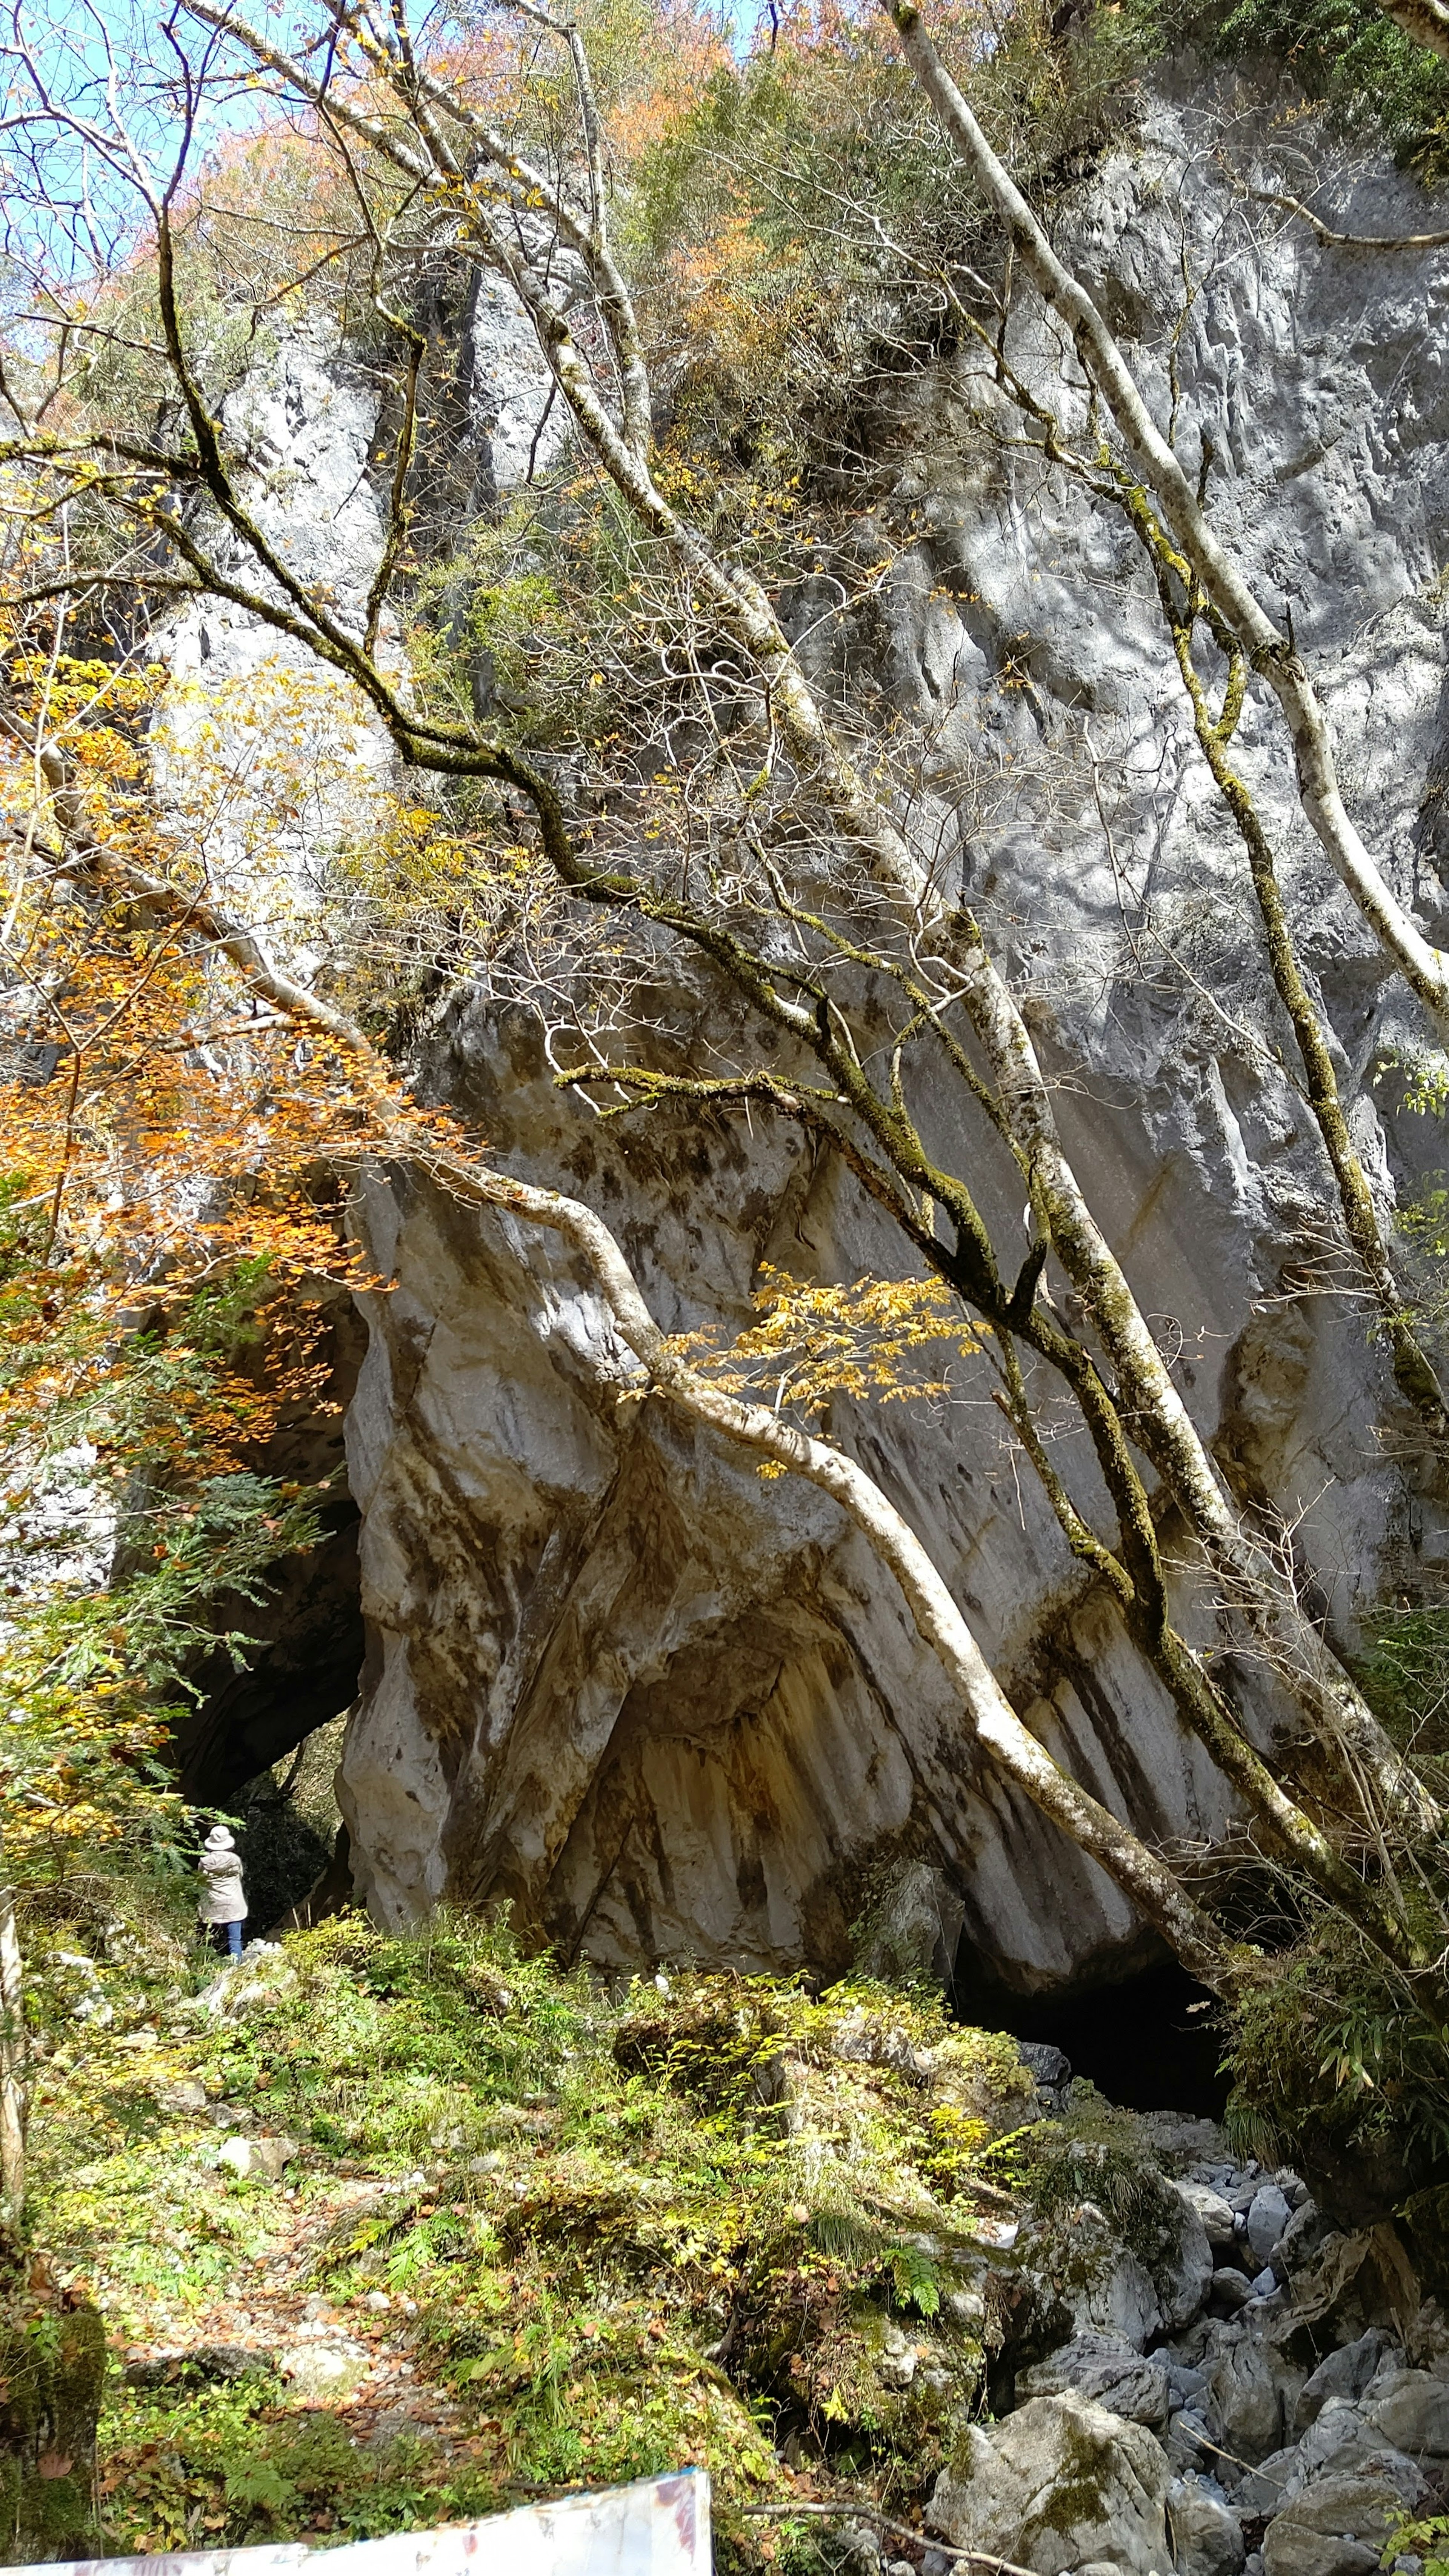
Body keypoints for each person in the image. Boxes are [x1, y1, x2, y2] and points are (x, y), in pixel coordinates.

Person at [197, 1824, 248, 1959]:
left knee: (209, 1941)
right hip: (234, 1906)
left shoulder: (204, 1862)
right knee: (235, 1940)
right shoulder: (235, 1860)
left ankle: (207, 1967)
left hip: (212, 1906)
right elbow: (240, 1876)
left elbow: (201, 1881)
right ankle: (235, 1969)